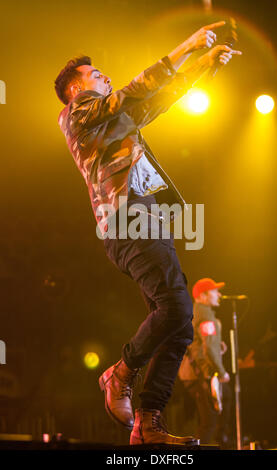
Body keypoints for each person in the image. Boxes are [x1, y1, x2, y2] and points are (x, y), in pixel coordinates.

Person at [55, 24, 241, 445]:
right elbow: (134, 90)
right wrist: (188, 46)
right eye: (94, 72)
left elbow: (156, 100)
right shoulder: (77, 116)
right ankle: (119, 375)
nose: (103, 75)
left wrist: (203, 67)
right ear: (73, 89)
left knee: (178, 326)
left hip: (146, 218)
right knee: (176, 307)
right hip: (126, 221)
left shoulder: (113, 118)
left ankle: (148, 424)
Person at [178, 278, 231, 444]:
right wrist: (221, 372)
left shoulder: (201, 312)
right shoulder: (205, 315)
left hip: (199, 372)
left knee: (223, 401)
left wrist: (217, 346)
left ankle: (220, 438)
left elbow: (203, 343)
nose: (219, 295)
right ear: (203, 296)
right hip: (199, 374)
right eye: (215, 291)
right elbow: (207, 348)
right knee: (209, 421)